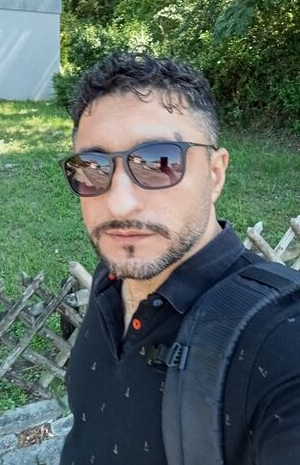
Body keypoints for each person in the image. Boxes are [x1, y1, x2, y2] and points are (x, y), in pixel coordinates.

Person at [58, 52, 300, 464]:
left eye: (159, 162)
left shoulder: (282, 338)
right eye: (94, 167)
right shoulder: (110, 280)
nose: (119, 203)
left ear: (215, 174)